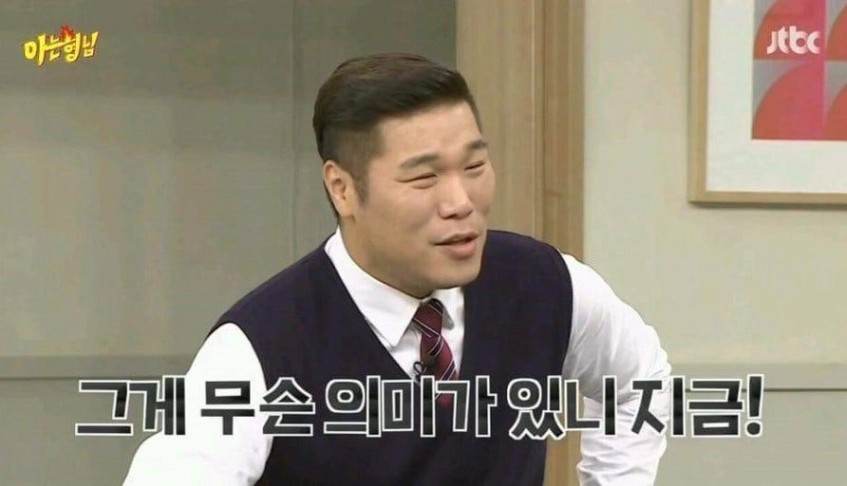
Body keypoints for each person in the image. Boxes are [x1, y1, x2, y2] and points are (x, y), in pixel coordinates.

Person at [124, 52, 671, 485]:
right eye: (424, 178)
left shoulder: (543, 284)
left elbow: (639, 380)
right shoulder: (261, 348)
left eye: (475, 165)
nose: (461, 202)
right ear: (342, 189)